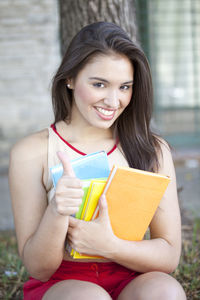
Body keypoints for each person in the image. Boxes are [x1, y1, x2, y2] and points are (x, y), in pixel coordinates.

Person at [9, 21, 186, 300]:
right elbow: (38, 267)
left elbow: (168, 255)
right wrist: (57, 211)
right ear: (70, 79)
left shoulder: (152, 149)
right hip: (63, 282)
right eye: (99, 84)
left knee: (166, 291)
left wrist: (109, 245)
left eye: (125, 87)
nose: (113, 101)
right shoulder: (31, 153)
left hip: (131, 272)